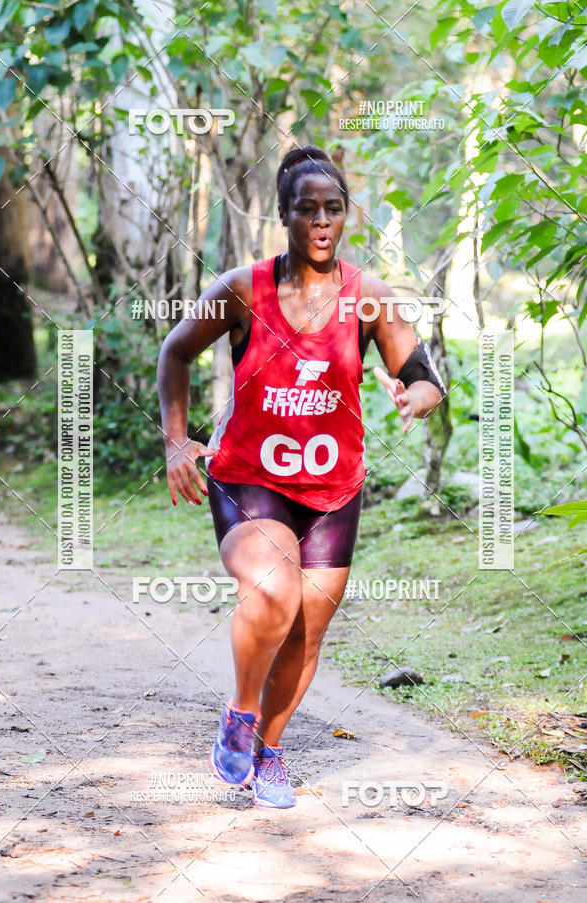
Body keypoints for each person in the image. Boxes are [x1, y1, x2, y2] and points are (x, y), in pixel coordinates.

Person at [157, 145, 446, 809]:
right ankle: (240, 712)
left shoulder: (367, 297)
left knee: (307, 631)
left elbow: (422, 375)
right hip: (249, 477)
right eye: (307, 208)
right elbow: (175, 352)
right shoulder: (242, 289)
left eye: (334, 208)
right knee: (273, 590)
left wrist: (418, 396)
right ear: (283, 215)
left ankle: (271, 753)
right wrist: (177, 441)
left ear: (346, 217)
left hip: (333, 491)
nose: (322, 219)